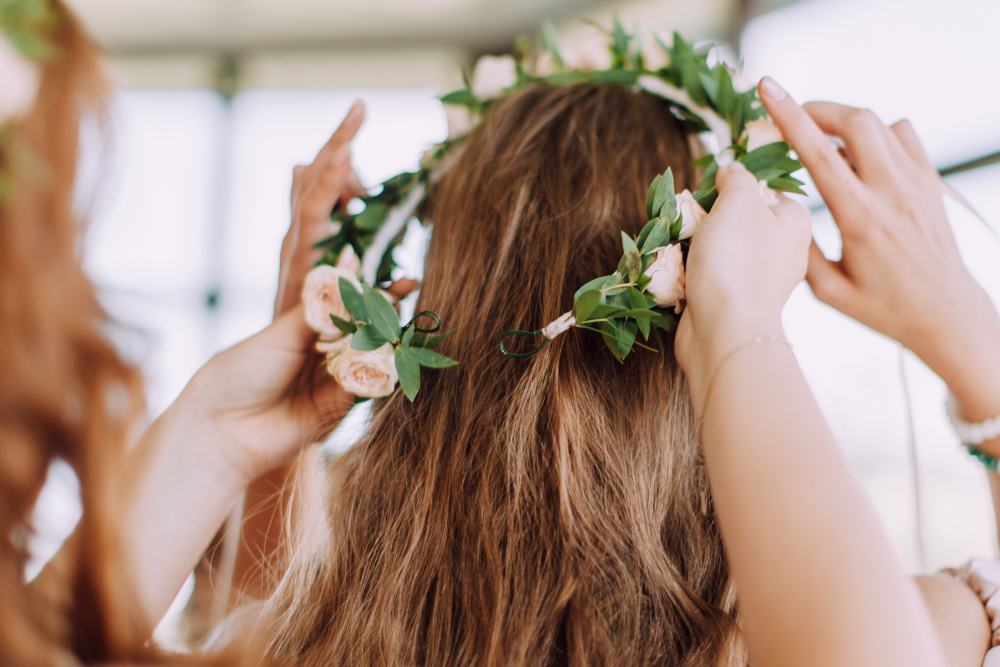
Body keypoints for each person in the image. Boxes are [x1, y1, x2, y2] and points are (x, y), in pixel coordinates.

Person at [1, 4, 995, 666]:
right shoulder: (818, 635)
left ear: (436, 299)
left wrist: (216, 436)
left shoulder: (281, 644)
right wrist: (954, 330)